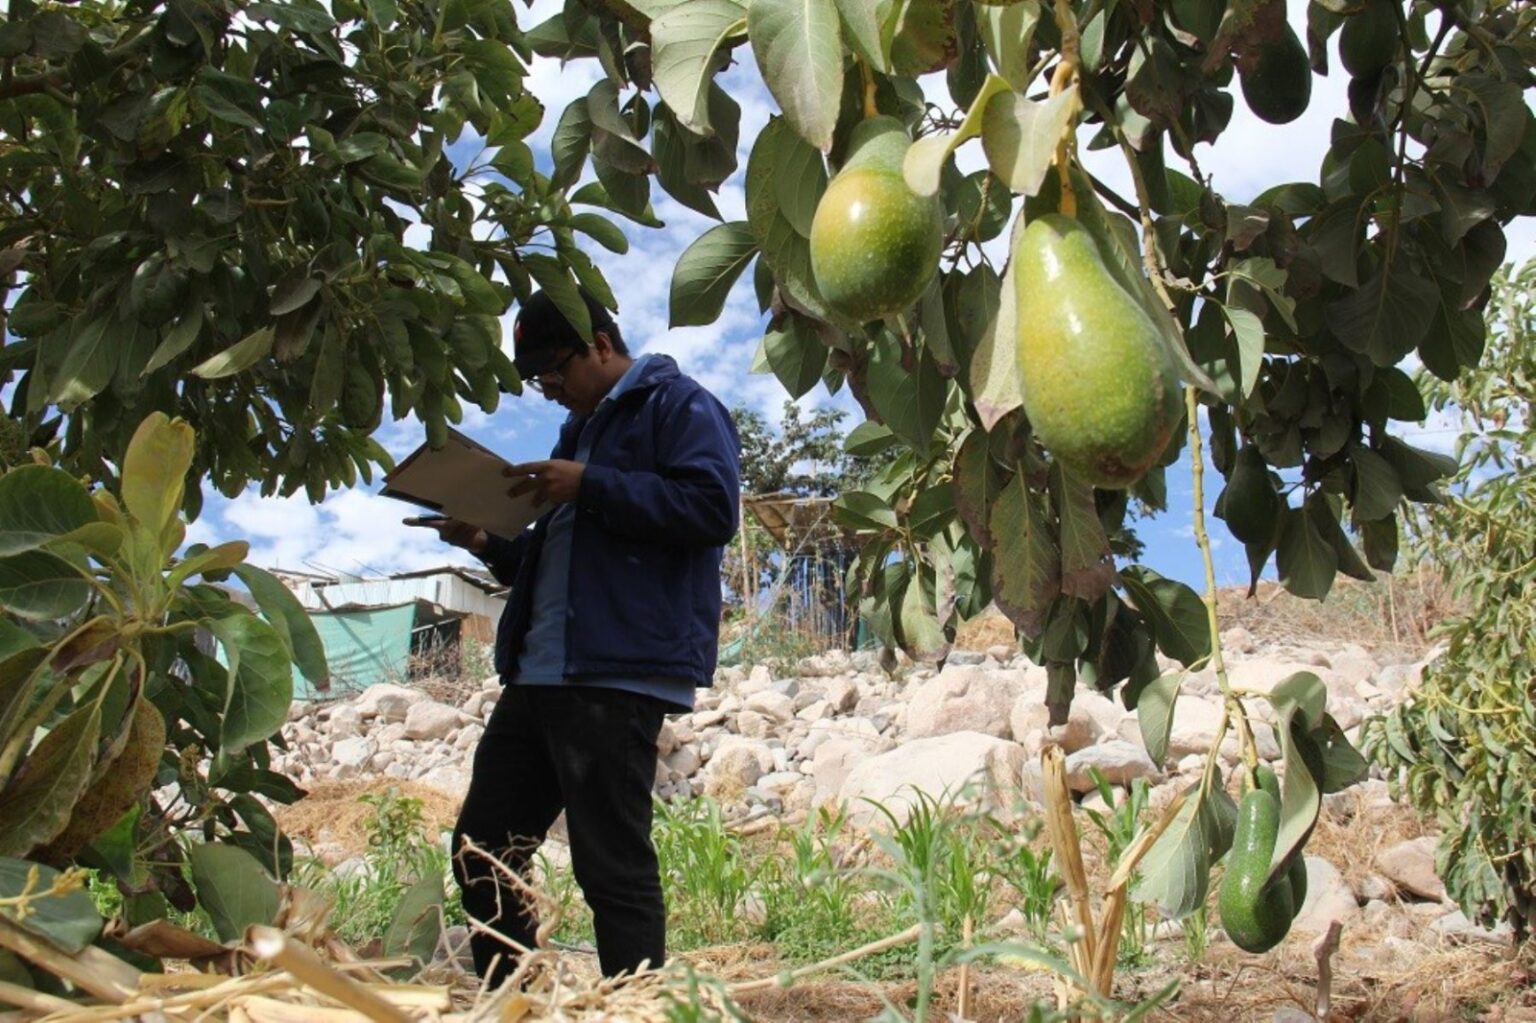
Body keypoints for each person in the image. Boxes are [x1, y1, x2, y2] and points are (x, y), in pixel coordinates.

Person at [406, 288, 741, 987]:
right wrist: (486, 541)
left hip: (612, 675)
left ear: (601, 343)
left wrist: (589, 484)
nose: (550, 389)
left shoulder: (677, 405)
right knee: (484, 848)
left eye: (555, 369)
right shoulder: (576, 437)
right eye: (538, 380)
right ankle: (513, 998)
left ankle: (633, 1004)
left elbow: (711, 507)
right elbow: (553, 564)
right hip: (539, 676)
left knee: (611, 864)